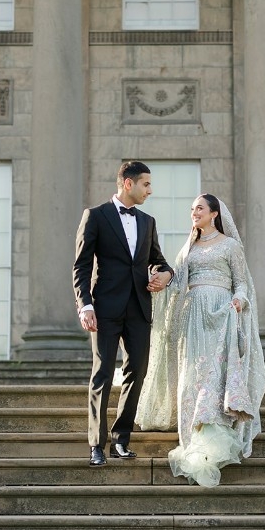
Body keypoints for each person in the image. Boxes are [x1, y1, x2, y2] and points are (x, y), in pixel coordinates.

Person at [136, 194, 265, 487]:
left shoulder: (230, 246)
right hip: (192, 317)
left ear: (214, 213)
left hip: (220, 314)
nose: (194, 213)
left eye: (199, 208)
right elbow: (179, 280)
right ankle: (193, 439)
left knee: (213, 377)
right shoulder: (189, 247)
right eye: (192, 209)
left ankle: (214, 441)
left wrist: (238, 300)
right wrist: (161, 281)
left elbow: (241, 282)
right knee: (192, 378)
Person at [72, 160, 174, 467]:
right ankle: (96, 444)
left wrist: (163, 275)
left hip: (139, 308)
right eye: (146, 184)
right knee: (102, 373)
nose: (150, 190)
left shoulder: (148, 221)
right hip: (104, 308)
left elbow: (159, 261)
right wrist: (85, 304)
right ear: (127, 183)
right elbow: (81, 265)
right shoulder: (96, 216)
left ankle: (121, 439)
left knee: (137, 372)